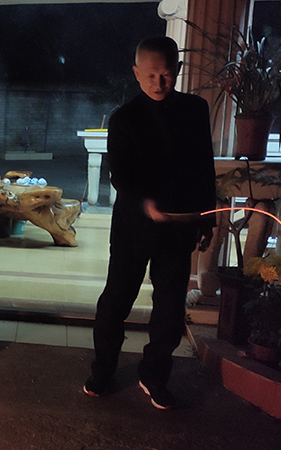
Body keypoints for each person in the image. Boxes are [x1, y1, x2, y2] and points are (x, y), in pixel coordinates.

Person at [83, 36, 216, 410]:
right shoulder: (124, 118)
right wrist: (146, 203)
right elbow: (120, 174)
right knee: (116, 300)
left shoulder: (194, 110)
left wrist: (206, 218)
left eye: (167, 74)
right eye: (151, 74)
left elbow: (203, 167)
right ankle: (103, 369)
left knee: (170, 306)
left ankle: (154, 375)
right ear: (136, 72)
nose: (159, 82)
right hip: (133, 225)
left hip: (179, 224)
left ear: (178, 70)